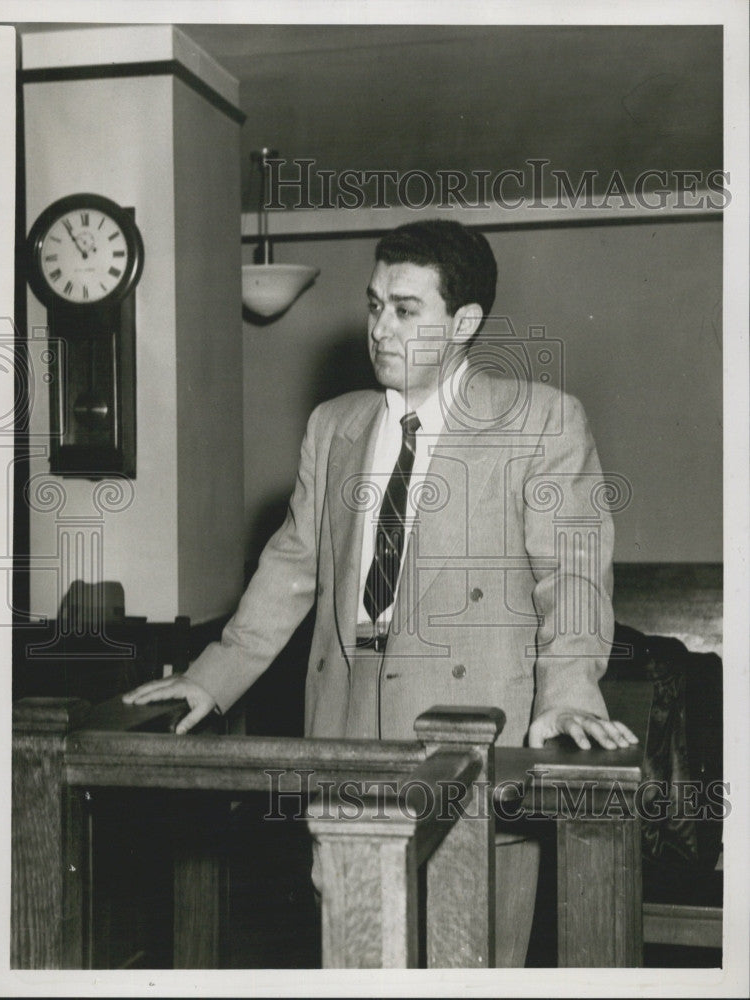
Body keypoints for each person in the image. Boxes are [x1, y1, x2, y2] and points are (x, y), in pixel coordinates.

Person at [124, 219, 636, 965]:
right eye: (373, 306)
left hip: (471, 744)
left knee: (470, 964)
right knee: (354, 962)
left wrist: (568, 693)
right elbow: (292, 563)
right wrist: (212, 677)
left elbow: (576, 575)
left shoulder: (541, 420)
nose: (380, 329)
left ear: (463, 323)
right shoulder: (334, 425)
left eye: (405, 309)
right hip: (345, 741)